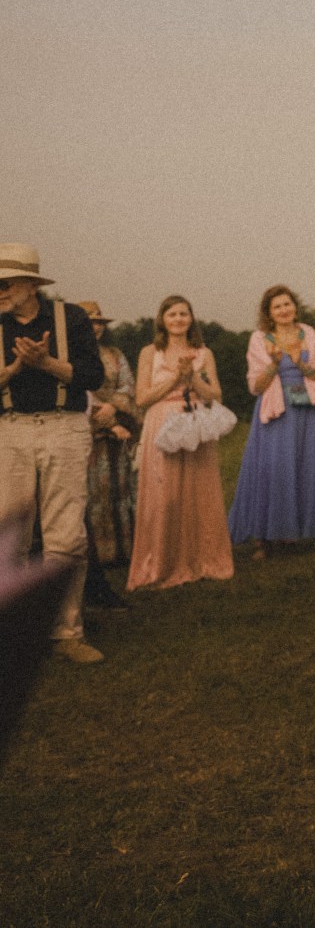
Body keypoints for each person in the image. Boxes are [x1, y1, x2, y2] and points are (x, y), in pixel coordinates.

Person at [0, 245, 108, 663]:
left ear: (31, 285)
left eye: (6, 284)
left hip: (65, 428)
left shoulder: (71, 318)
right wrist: (15, 368)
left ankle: (67, 633)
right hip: (10, 429)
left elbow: (92, 376)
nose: (0, 291)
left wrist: (46, 363)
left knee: (66, 534)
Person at [128, 295, 235, 592]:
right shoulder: (150, 352)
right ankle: (162, 562)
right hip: (162, 422)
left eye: (183, 314)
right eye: (172, 314)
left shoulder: (204, 353)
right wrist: (176, 377)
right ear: (162, 320)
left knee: (200, 491)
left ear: (191, 318)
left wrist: (193, 379)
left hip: (195, 423)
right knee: (165, 493)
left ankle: (203, 559)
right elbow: (142, 398)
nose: (178, 319)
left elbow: (215, 395)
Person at [228, 285, 315, 559]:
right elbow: (256, 386)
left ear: (295, 307)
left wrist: (301, 364)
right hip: (276, 410)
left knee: (309, 467)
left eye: (287, 304)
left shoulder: (309, 333)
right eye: (277, 306)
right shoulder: (259, 339)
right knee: (273, 468)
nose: (284, 310)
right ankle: (264, 539)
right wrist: (274, 364)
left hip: (307, 409)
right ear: (269, 312)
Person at [81, 302, 140, 568]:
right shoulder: (71, 355)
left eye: (99, 323)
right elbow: (78, 391)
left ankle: (124, 551)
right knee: (93, 491)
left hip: (118, 433)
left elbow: (128, 386)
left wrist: (113, 409)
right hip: (88, 434)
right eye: (89, 323)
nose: (95, 328)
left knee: (121, 489)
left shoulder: (115, 354)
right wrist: (104, 420)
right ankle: (97, 555)